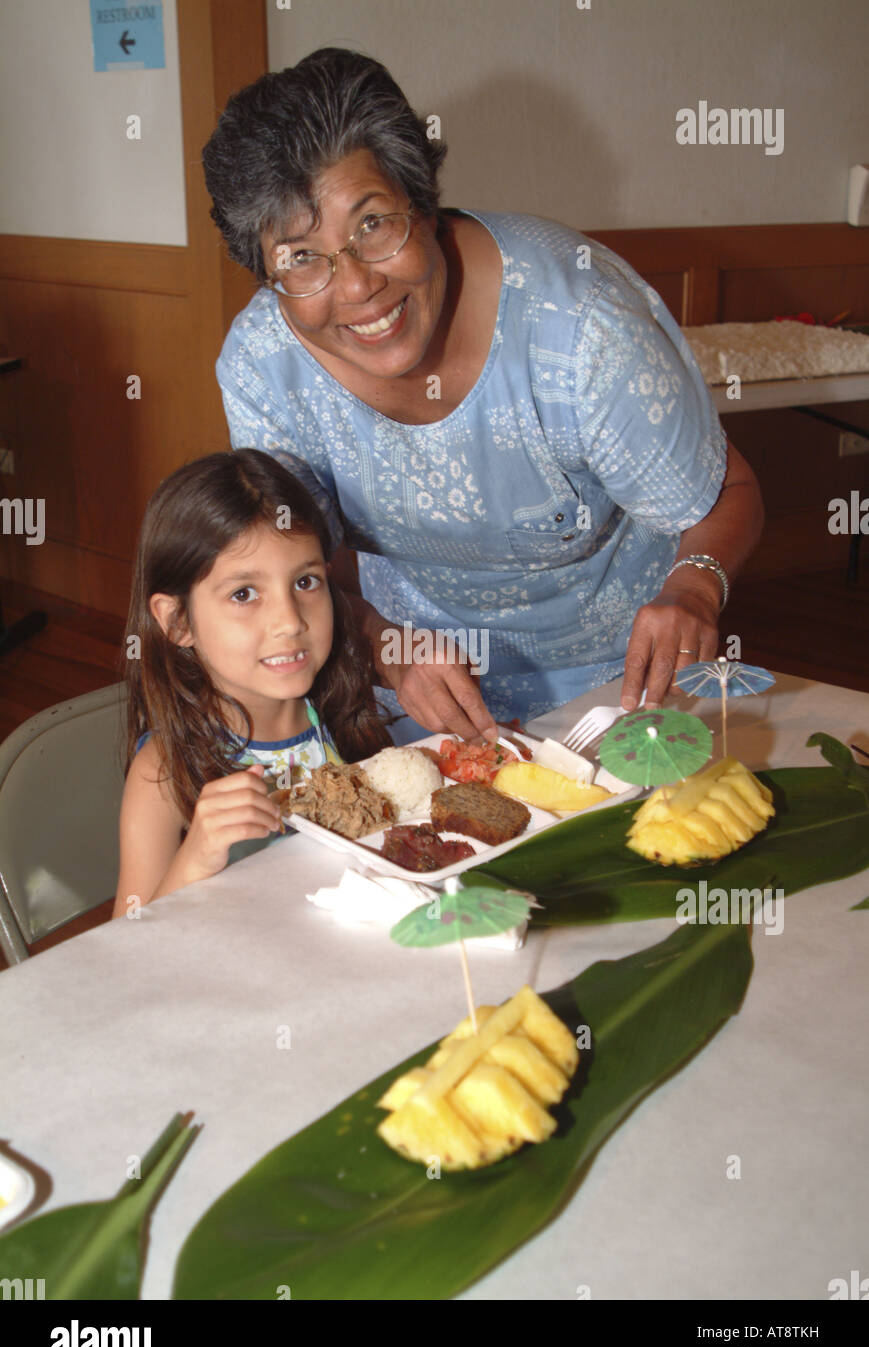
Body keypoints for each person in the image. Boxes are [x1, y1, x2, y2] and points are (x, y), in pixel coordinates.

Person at [203, 48, 764, 744]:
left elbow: (727, 490)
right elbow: (292, 567)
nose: (354, 287)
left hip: (624, 678)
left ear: (421, 201)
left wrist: (692, 590)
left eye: (372, 224)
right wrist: (384, 645)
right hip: (415, 674)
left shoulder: (581, 327)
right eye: (300, 257)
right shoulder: (265, 365)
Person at [112, 449, 389, 916]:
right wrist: (195, 856)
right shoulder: (162, 770)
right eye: (244, 594)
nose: (288, 621)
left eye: (305, 582)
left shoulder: (341, 718)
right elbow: (125, 941)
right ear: (178, 620)